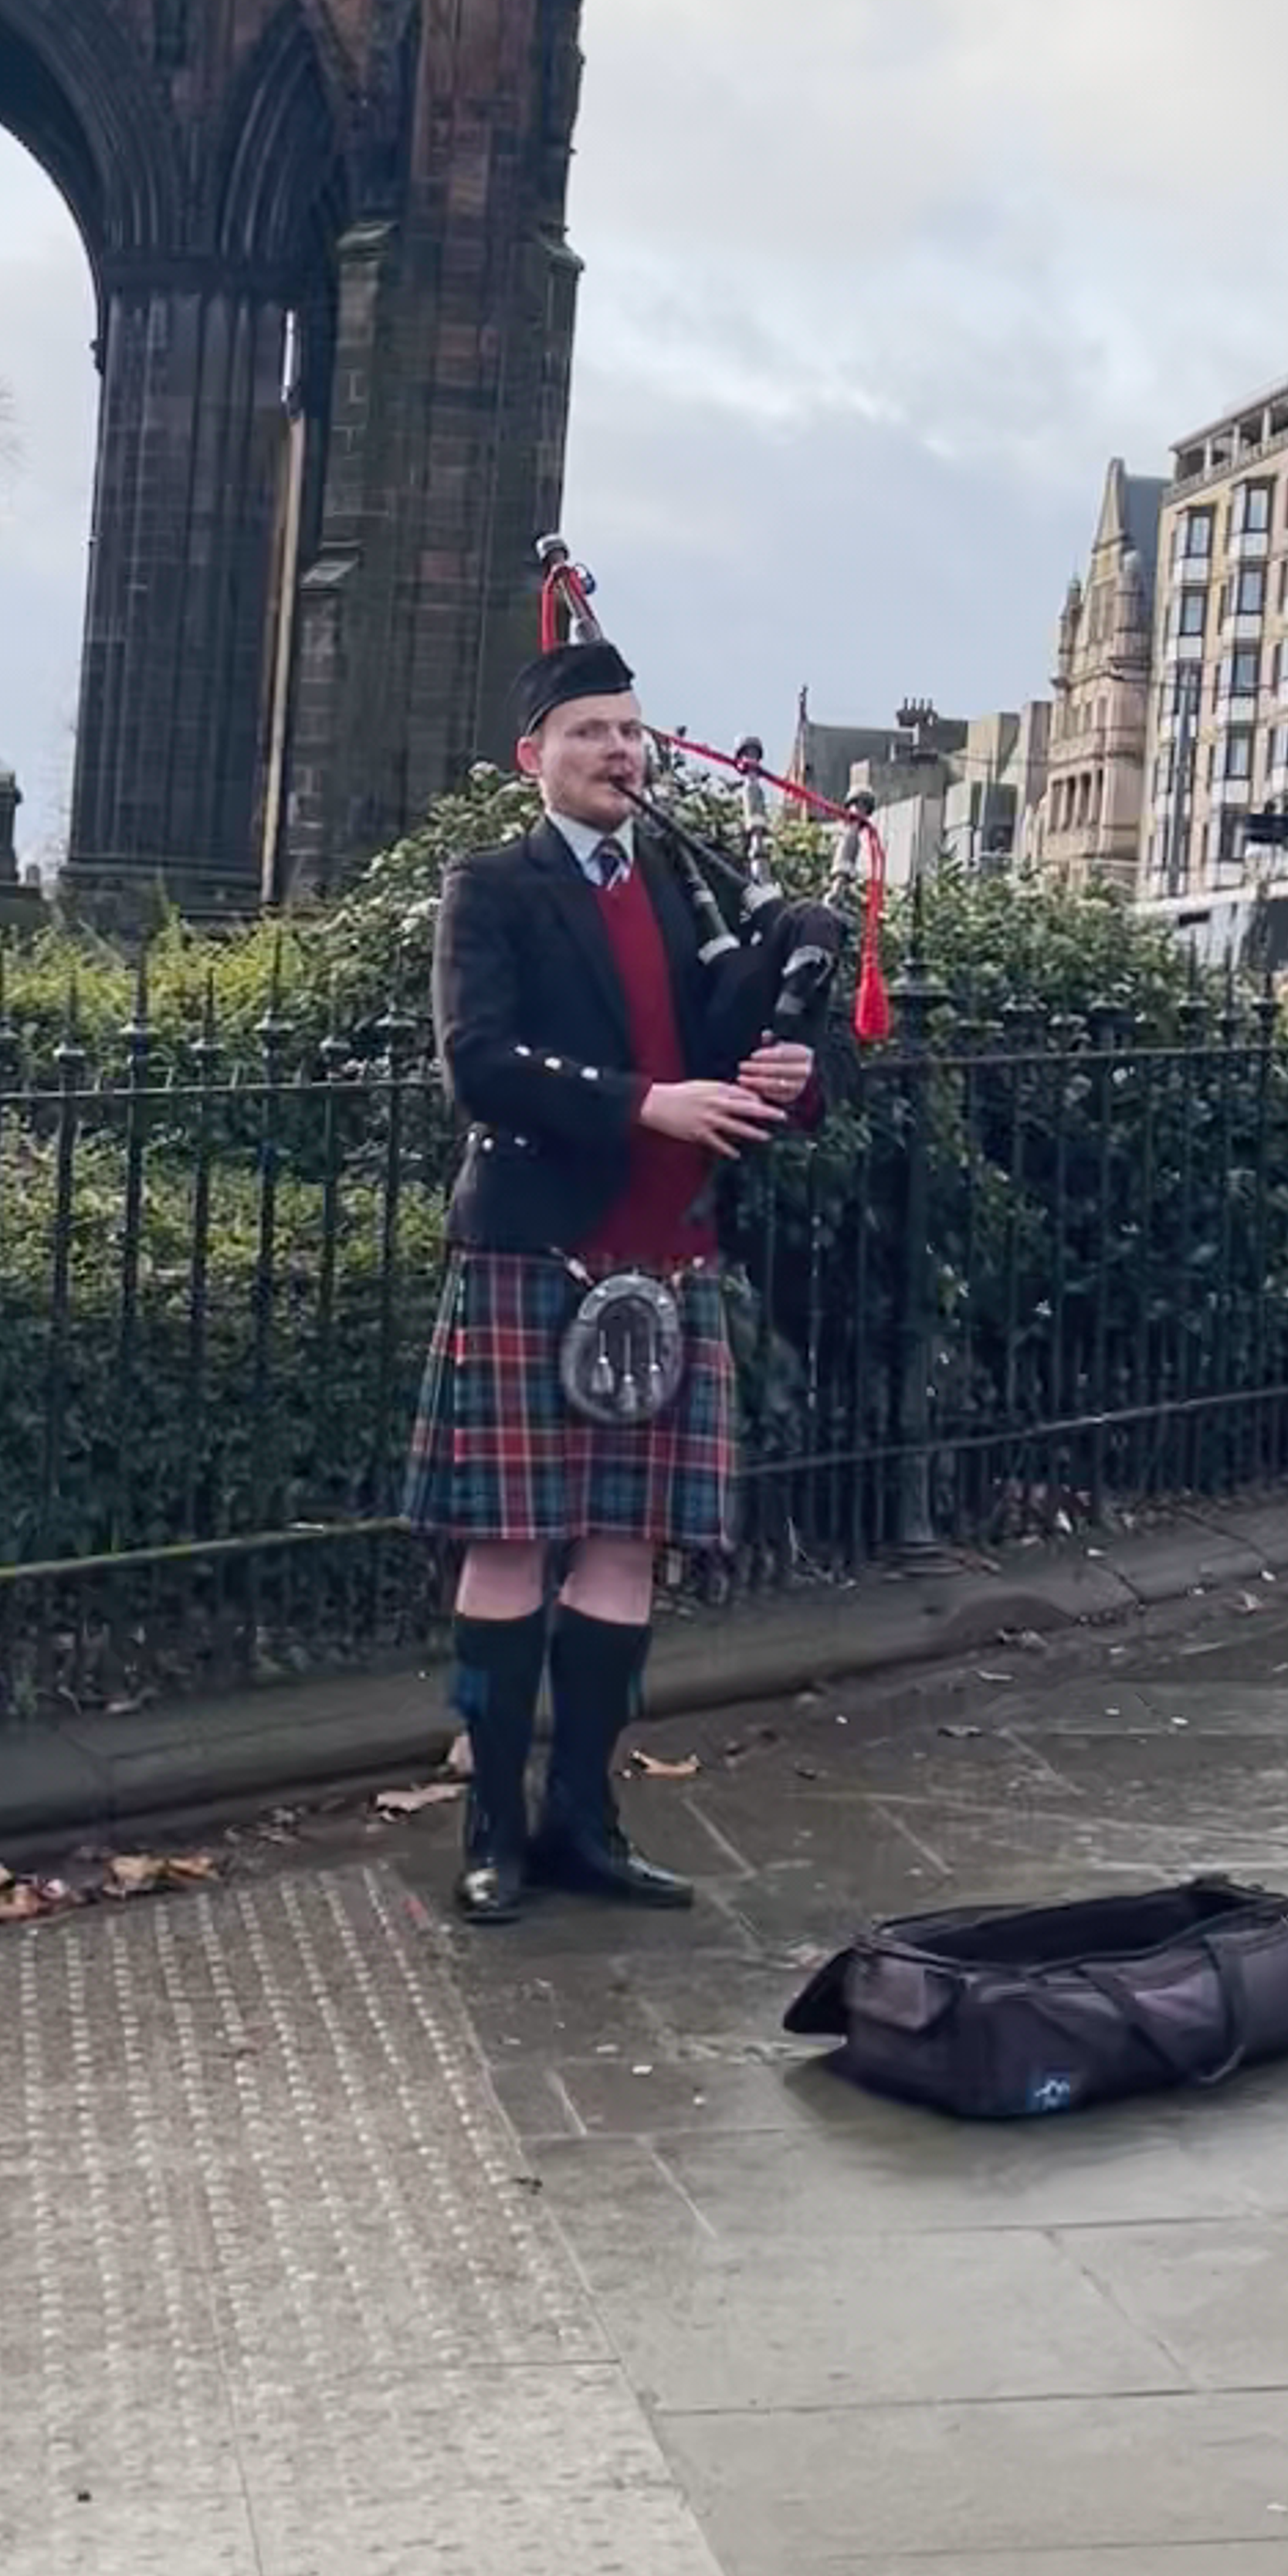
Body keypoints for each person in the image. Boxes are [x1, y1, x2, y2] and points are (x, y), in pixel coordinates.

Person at [401, 628, 824, 1922]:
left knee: (627, 1547)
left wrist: (795, 1076)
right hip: (539, 1247)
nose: (619, 752)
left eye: (633, 732)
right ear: (536, 757)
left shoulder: (686, 897)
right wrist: (649, 1102)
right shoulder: (496, 886)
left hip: (668, 1255)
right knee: (512, 1539)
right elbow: (477, 1059)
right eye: (592, 732)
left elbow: (752, 1052)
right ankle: (494, 1831)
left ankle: (584, 1816)